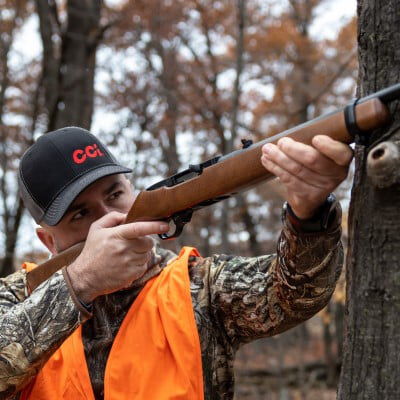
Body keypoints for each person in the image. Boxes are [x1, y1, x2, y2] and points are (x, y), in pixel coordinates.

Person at [0, 126, 352, 399]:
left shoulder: (196, 285)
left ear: (134, 190)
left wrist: (308, 215)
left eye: (115, 194)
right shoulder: (16, 299)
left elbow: (296, 294)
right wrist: (81, 282)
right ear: (48, 241)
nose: (112, 219)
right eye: (81, 213)